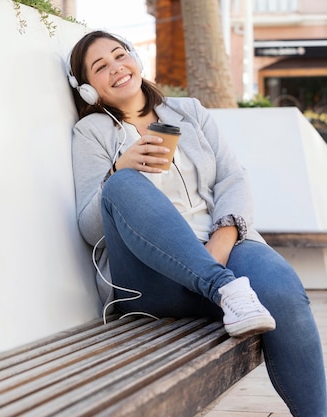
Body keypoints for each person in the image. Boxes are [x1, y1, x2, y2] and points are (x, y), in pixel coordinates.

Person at [66, 30, 327, 417]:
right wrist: (119, 168)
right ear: (88, 89)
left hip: (222, 252)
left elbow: (233, 178)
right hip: (153, 280)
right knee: (121, 184)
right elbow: (90, 229)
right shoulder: (91, 133)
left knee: (283, 290)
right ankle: (224, 289)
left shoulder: (189, 111)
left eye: (120, 56)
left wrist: (222, 240)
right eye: (100, 67)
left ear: (135, 58)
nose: (116, 68)